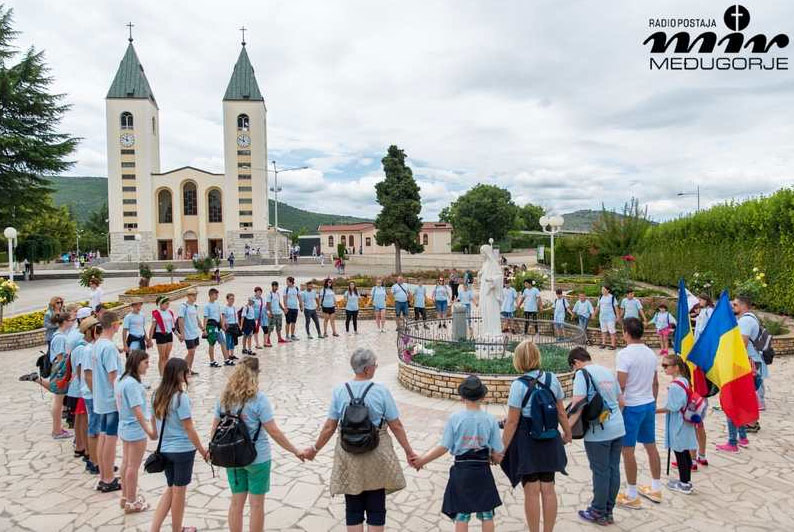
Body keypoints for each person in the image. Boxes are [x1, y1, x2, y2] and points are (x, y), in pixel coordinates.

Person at [305, 348, 415, 531]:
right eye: (375, 365)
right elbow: (396, 425)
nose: (376, 367)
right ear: (367, 369)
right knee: (376, 506)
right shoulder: (381, 391)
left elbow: (329, 427)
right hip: (376, 452)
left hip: (349, 454)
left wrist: (315, 449)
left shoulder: (340, 391)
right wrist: (409, 452)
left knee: (353, 507)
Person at [211, 358, 305, 532]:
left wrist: (213, 450)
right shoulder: (259, 399)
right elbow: (274, 431)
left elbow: (215, 428)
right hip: (257, 457)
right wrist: (294, 450)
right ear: (255, 375)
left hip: (232, 456)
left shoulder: (224, 398)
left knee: (236, 503)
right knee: (256, 505)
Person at [413, 375, 503, 531]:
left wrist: (422, 461)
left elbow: (444, 447)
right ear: (483, 397)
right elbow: (497, 452)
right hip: (482, 471)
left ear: (462, 398)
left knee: (462, 513)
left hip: (461, 471)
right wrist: (495, 458)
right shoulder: (490, 419)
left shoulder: (455, 418)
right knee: (487, 513)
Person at [501, 340, 571, 532]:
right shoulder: (552, 379)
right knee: (548, 488)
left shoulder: (518, 385)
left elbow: (512, 422)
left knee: (531, 490)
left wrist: (502, 449)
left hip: (527, 440)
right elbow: (561, 412)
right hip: (549, 438)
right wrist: (567, 433)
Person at [149, 358, 209, 532]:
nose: (188, 373)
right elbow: (188, 427)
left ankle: (154, 528)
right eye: (185, 371)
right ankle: (177, 529)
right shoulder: (181, 398)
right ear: (178, 374)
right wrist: (203, 451)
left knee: (171, 489)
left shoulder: (156, 395)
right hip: (182, 449)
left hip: (165, 449)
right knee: (179, 492)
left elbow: (154, 423)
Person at [567, 347, 625, 526]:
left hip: (598, 432)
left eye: (572, 367)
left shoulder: (582, 374)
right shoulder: (607, 371)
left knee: (600, 471)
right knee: (613, 469)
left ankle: (597, 511)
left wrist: (567, 431)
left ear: (576, 362)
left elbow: (577, 407)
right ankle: (608, 511)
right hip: (618, 427)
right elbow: (621, 402)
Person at [615, 317, 662, 509]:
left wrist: (617, 408)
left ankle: (632, 493)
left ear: (626, 332)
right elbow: (655, 382)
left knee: (628, 450)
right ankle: (656, 487)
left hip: (631, 406)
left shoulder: (624, 355)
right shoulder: (651, 354)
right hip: (648, 403)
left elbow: (621, 385)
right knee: (651, 447)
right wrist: (653, 402)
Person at [717, 295, 762, 452]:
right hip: (748, 366)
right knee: (739, 403)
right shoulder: (749, 319)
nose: (732, 307)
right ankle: (742, 437)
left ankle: (732, 442)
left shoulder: (745, 321)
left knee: (731, 402)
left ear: (743, 306)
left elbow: (741, 345)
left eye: (735, 305)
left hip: (742, 367)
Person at [20, 311, 75, 439]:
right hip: (61, 370)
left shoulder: (59, 335)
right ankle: (57, 430)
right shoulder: (60, 337)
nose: (73, 323)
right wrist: (68, 373)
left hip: (58, 369)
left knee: (57, 394)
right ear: (65, 322)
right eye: (71, 320)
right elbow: (61, 358)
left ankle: (58, 428)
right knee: (58, 400)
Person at [116, 350, 157, 513]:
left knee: (126, 463)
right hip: (134, 427)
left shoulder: (122, 380)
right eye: (145, 363)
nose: (148, 366)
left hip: (124, 425)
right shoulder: (132, 384)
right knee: (133, 466)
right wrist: (149, 430)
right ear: (137, 363)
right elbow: (137, 410)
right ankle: (132, 501)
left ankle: (125, 496)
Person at [656, 354, 697, 495]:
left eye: (666, 366)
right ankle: (686, 480)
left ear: (676, 367)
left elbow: (672, 407)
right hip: (685, 419)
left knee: (680, 453)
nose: (664, 368)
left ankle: (684, 483)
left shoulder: (675, 386)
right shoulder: (684, 381)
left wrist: (655, 411)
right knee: (684, 450)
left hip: (678, 421)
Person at [93, 311, 124, 493]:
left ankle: (103, 475)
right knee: (110, 438)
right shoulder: (109, 348)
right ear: (113, 325)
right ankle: (108, 478)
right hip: (111, 399)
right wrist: (122, 399)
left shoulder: (98, 344)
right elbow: (114, 377)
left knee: (103, 436)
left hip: (101, 398)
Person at [692, 293, 714, 467]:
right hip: (701, 396)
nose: (699, 302)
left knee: (693, 425)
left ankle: (692, 459)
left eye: (701, 299)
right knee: (699, 425)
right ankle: (701, 455)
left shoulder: (709, 312)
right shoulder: (702, 312)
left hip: (697, 396)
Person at [204, 287, 233, 367]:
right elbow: (205, 317)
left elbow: (219, 315)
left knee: (223, 342)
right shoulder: (207, 306)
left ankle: (226, 359)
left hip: (217, 326)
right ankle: (212, 361)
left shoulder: (217, 304)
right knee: (212, 343)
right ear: (211, 295)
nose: (217, 296)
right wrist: (204, 329)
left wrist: (222, 325)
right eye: (215, 295)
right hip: (211, 326)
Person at [177, 288, 204, 375]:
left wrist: (202, 328)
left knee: (192, 353)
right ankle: (180, 369)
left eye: (195, 295)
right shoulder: (183, 306)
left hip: (195, 333)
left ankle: (189, 369)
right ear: (188, 296)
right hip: (188, 333)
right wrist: (182, 333)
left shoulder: (194, 306)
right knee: (191, 352)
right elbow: (180, 320)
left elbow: (197, 318)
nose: (195, 297)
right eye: (193, 295)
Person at [149, 296, 176, 376]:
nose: (168, 305)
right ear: (161, 304)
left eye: (168, 303)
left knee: (167, 356)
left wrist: (178, 335)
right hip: (160, 335)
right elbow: (153, 327)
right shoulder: (157, 313)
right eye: (166, 303)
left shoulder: (170, 312)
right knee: (162, 356)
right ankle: (161, 374)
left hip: (169, 335)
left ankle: (166, 374)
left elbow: (172, 326)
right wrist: (149, 339)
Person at [222, 293, 242, 359]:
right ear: (227, 299)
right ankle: (227, 356)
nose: (232, 300)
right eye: (231, 299)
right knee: (228, 341)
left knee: (233, 341)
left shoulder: (234, 307)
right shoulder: (225, 308)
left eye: (233, 299)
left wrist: (239, 325)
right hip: (228, 325)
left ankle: (232, 355)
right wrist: (223, 325)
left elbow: (236, 317)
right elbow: (223, 317)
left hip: (234, 325)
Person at [283, 276, 301, 341]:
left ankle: (292, 335)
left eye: (287, 282)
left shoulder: (296, 288)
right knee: (288, 322)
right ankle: (287, 336)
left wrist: (301, 305)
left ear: (291, 282)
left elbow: (299, 297)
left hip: (295, 308)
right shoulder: (286, 289)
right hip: (288, 308)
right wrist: (285, 307)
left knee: (293, 322)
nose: (286, 283)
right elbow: (284, 298)